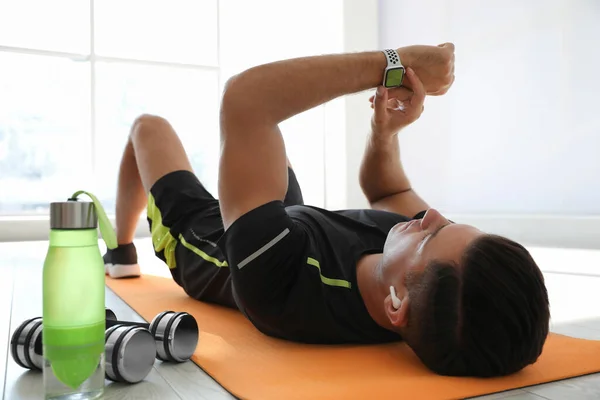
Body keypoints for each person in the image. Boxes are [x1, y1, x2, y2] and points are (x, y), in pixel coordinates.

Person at [103, 43, 550, 378]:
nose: (431, 217)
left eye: (432, 235)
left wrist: (397, 64)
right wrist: (385, 132)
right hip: (292, 224)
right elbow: (389, 188)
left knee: (149, 128)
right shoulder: (417, 269)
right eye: (449, 223)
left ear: (398, 306)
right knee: (265, 143)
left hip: (214, 244)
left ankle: (121, 252)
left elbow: (245, 98)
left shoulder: (280, 284)